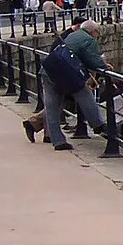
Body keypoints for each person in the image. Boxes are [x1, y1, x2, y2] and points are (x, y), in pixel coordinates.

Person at [38, 19, 108, 151]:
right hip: (67, 73)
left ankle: (57, 140)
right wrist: (105, 67)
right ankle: (97, 124)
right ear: (93, 31)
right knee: (84, 95)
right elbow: (93, 60)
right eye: (97, 33)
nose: (97, 35)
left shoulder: (72, 35)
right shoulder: (89, 40)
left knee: (52, 107)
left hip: (48, 69)